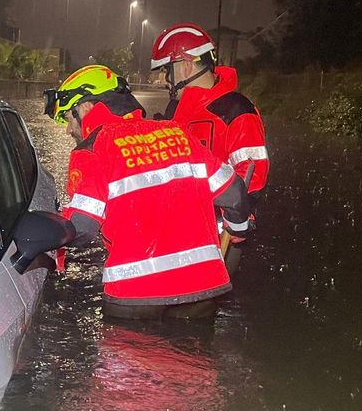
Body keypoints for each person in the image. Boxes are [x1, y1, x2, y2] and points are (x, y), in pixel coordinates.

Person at [43, 64, 253, 320]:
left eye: (68, 118)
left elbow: (83, 228)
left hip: (135, 295)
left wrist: (44, 236)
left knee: (127, 358)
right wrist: (238, 230)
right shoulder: (179, 133)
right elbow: (234, 194)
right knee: (195, 359)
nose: (68, 130)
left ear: (86, 108)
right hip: (201, 291)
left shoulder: (92, 150)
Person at [150, 23, 270, 272]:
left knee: (204, 307)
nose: (162, 80)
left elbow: (252, 172)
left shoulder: (236, 109)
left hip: (221, 233)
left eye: (166, 71)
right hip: (176, 227)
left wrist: (235, 217)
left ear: (185, 65)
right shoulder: (176, 111)